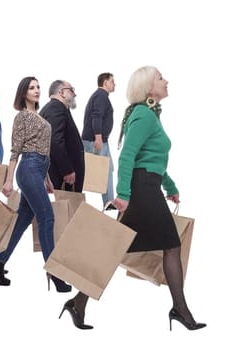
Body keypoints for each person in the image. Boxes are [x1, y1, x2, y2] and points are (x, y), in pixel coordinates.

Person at [61, 66, 206, 331]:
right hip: (141, 191)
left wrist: (170, 185)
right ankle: (180, 309)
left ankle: (78, 302)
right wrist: (124, 195)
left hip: (148, 187)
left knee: (116, 248)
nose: (166, 80)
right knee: (171, 245)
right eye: (161, 78)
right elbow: (128, 156)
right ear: (148, 87)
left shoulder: (149, 115)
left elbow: (150, 160)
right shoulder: (144, 115)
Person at [0, 78, 64, 291]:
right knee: (47, 217)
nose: (36, 90)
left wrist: (46, 178)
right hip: (27, 169)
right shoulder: (22, 116)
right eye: (31, 88)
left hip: (38, 170)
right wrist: (9, 180)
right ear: (23, 93)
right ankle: (53, 272)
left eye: (38, 87)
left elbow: (44, 149)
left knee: (23, 219)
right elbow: (15, 150)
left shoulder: (38, 116)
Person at [41, 80, 85, 192]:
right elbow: (54, 141)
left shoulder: (57, 108)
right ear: (61, 92)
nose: (75, 94)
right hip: (60, 176)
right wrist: (67, 170)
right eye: (71, 90)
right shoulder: (56, 108)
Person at [82, 73, 117, 208]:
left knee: (108, 168)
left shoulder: (100, 96)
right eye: (112, 81)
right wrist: (98, 137)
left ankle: (109, 201)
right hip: (95, 140)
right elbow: (96, 116)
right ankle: (109, 202)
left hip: (96, 139)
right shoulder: (101, 96)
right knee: (105, 169)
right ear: (105, 83)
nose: (114, 84)